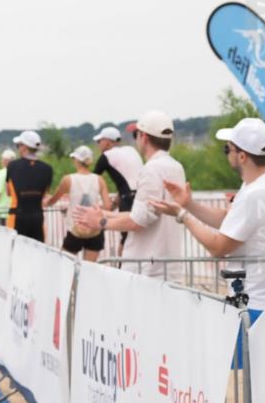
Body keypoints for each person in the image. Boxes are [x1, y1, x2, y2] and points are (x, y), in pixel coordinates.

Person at [148, 118, 265, 316]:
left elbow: (218, 247)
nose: (226, 154)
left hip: (255, 303)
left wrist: (182, 215)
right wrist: (188, 203)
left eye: (228, 149)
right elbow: (229, 220)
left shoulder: (253, 195)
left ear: (242, 156)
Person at [74, 110, 185, 279]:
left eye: (135, 135)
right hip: (167, 266)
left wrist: (101, 222)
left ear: (144, 137)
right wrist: (105, 213)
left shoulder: (152, 169)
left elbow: (138, 221)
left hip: (147, 270)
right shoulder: (176, 167)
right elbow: (144, 214)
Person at [43, 145, 111, 261]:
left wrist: (45, 202)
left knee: (65, 264)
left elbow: (53, 200)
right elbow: (108, 206)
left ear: (77, 161)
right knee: (90, 268)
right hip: (95, 229)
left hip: (75, 229)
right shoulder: (99, 179)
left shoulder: (68, 179)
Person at [91, 125, 143, 245]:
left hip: (128, 199)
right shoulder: (131, 150)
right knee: (138, 238)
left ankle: (123, 258)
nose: (98, 145)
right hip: (142, 196)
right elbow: (127, 182)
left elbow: (92, 179)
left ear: (107, 142)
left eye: (99, 141)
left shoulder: (106, 156)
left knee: (126, 240)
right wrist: (114, 204)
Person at [5, 130, 53, 242]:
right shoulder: (47, 169)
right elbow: (45, 194)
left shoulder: (12, 166)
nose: (18, 148)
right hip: (37, 218)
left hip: (17, 216)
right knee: (37, 249)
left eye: (18, 145)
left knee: (14, 249)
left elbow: (8, 192)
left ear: (24, 147)